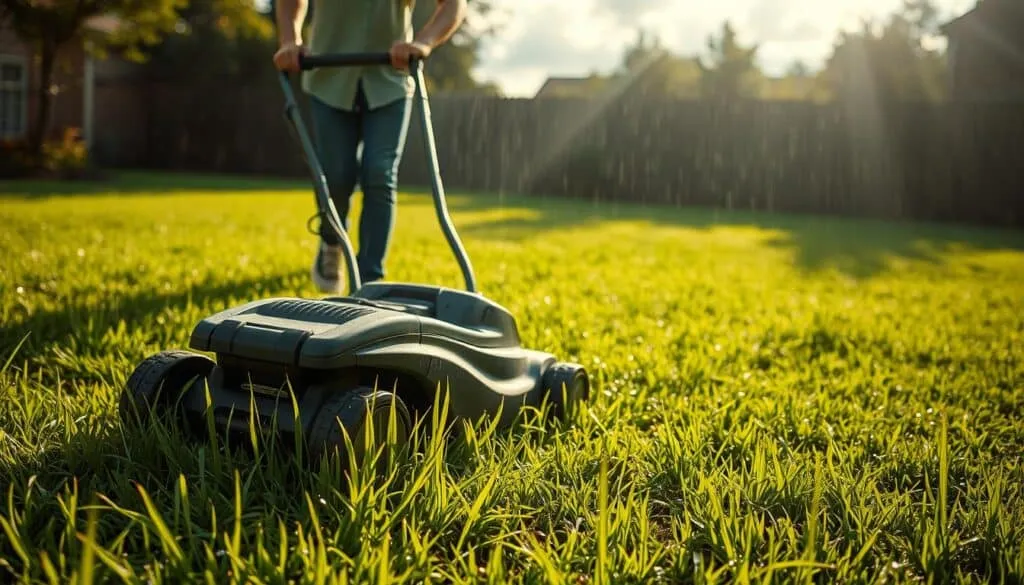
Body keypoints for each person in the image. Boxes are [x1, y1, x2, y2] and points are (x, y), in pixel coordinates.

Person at [273, 0, 467, 293]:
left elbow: (453, 5)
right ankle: (331, 242)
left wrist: (422, 43)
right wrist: (290, 41)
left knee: (380, 173)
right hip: (328, 77)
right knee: (336, 178)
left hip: (391, 78)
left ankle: (370, 284)